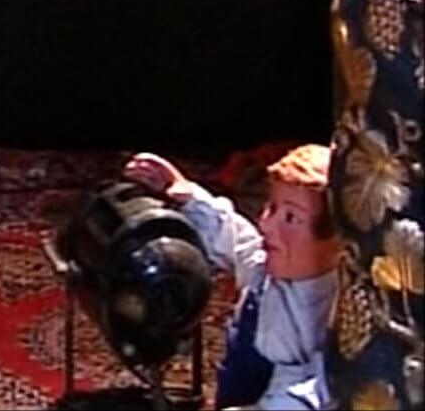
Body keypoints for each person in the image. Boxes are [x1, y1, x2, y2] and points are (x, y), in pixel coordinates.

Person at [124, 145, 339, 410]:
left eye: (291, 218)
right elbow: (236, 239)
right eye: (271, 207)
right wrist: (188, 196)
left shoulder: (327, 319)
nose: (267, 224)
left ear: (339, 243)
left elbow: (315, 389)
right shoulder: (266, 268)